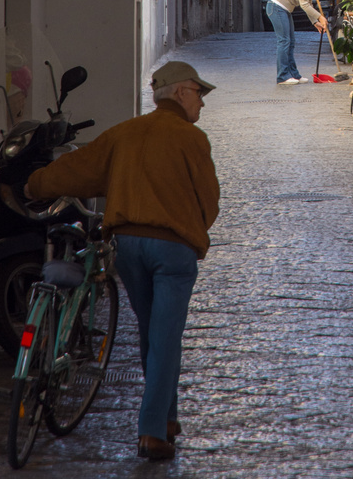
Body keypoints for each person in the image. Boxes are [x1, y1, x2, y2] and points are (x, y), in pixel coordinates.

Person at [26, 60, 220, 462]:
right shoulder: (191, 139)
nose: (201, 101)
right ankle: (151, 432)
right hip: (173, 251)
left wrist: (33, 183)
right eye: (198, 92)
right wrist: (192, 229)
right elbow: (210, 202)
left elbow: (80, 169)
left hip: (128, 247)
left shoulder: (125, 134)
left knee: (153, 334)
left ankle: (167, 418)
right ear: (181, 92)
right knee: (165, 339)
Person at [266, 0, 333, 84]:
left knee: (290, 42)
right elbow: (304, 5)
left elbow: (308, 4)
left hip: (285, 9)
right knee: (284, 41)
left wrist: (315, 22)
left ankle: (294, 74)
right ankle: (282, 76)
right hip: (276, 7)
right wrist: (320, 16)